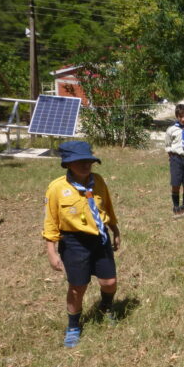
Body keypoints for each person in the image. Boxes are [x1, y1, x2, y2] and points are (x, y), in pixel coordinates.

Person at [43, 141, 121, 348]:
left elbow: (108, 207)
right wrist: (51, 251)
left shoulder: (99, 181)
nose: (86, 165)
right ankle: (73, 326)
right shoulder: (57, 188)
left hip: (100, 238)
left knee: (109, 282)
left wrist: (115, 230)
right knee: (78, 287)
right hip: (74, 242)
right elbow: (50, 222)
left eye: (89, 160)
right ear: (67, 163)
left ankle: (106, 307)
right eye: (80, 161)